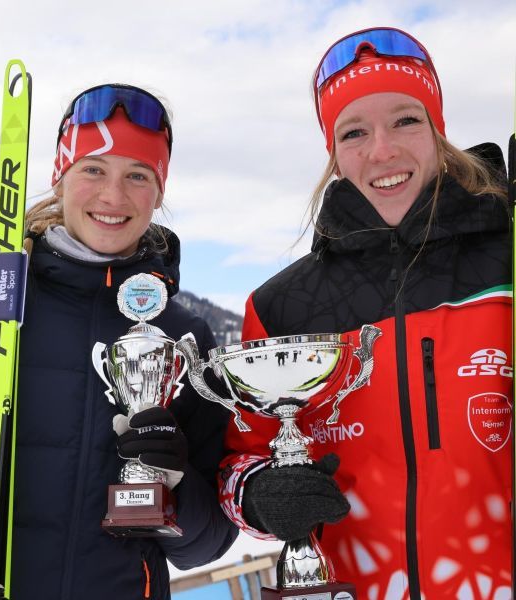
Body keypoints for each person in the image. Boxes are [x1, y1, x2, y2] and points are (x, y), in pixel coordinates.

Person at [0, 83, 238, 600]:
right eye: (93, 170)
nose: (113, 196)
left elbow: (206, 545)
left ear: (159, 192)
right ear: (60, 178)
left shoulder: (184, 336)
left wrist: (175, 483)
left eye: (137, 175)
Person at [219, 27, 512, 599]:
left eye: (405, 120)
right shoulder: (281, 306)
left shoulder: (509, 260)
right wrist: (258, 496)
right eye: (354, 132)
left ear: (438, 132)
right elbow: (239, 461)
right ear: (334, 156)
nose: (382, 151)